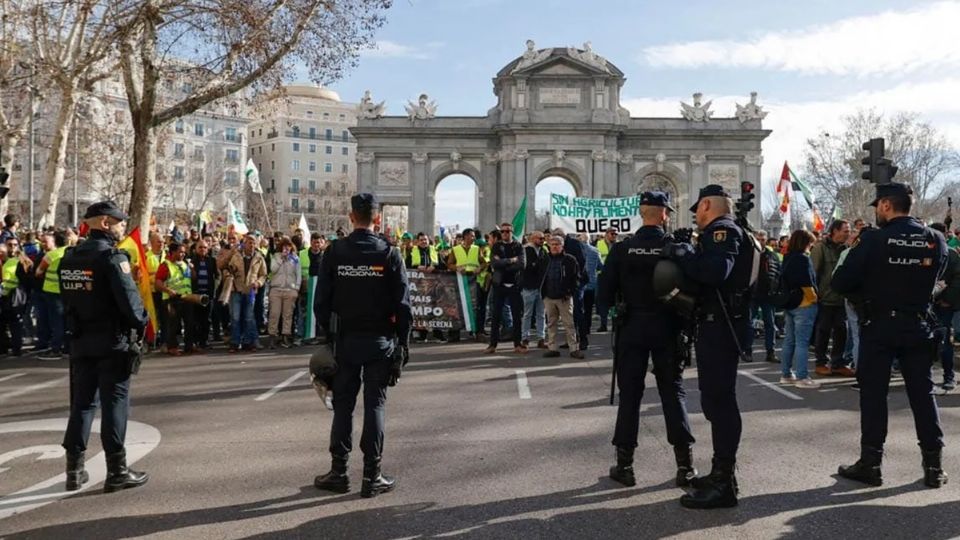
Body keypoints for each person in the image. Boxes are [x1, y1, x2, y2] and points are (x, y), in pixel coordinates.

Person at [833, 183, 948, 489]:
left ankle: (871, 464)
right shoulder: (936, 239)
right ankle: (934, 467)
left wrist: (868, 292)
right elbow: (937, 277)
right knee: (923, 395)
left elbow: (841, 281)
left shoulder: (873, 239)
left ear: (885, 205)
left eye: (877, 206)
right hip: (918, 325)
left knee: (873, 396)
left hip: (879, 326)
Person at [314, 193, 412, 498]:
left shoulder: (335, 251)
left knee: (343, 407)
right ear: (377, 218)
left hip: (345, 341)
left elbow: (321, 302)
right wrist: (403, 345)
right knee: (375, 405)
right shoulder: (389, 253)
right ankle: (372, 476)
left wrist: (328, 337)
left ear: (351, 217)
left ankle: (339, 472)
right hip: (380, 341)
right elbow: (404, 306)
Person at [664, 184, 755, 509]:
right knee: (716, 401)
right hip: (717, 323)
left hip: (722, 325)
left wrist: (685, 254)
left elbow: (716, 272)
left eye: (697, 211)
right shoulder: (726, 231)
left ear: (706, 205)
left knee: (720, 402)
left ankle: (724, 483)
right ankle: (721, 474)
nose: (696, 218)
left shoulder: (723, 231)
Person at [599, 192, 696, 488]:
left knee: (630, 396)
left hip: (632, 327)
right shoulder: (674, 248)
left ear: (641, 213)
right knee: (672, 392)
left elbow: (603, 294)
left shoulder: (623, 248)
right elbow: (692, 288)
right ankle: (685, 466)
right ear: (664, 214)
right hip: (667, 327)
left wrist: (617, 308)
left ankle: (625, 465)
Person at [59, 201, 149, 493]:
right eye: (119, 222)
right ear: (105, 224)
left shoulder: (70, 257)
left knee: (82, 404)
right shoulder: (112, 258)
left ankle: (74, 470)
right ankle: (117, 471)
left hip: (80, 339)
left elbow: (68, 300)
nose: (123, 227)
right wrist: (143, 323)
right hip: (112, 341)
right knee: (114, 404)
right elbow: (131, 305)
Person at [811, 220, 853, 377]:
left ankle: (837, 363)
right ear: (835, 231)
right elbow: (813, 273)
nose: (848, 234)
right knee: (823, 331)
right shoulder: (820, 248)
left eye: (849, 231)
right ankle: (821, 362)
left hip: (842, 299)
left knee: (842, 331)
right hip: (824, 299)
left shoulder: (847, 249)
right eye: (845, 231)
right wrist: (816, 295)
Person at [778, 230, 821, 388]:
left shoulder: (787, 257)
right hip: (804, 305)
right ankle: (802, 377)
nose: (812, 246)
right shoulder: (803, 259)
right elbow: (807, 282)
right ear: (805, 243)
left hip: (790, 303)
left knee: (789, 341)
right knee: (802, 343)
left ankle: (786, 374)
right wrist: (814, 298)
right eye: (810, 243)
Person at [218, 234, 267, 352]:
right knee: (235, 317)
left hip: (250, 290)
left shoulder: (259, 257)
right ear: (244, 243)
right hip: (236, 289)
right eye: (249, 242)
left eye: (254, 243)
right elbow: (221, 265)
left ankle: (248, 342)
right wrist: (230, 255)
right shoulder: (235, 255)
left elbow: (263, 275)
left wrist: (258, 283)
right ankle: (235, 342)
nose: (252, 245)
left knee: (249, 317)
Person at [484, 223, 526, 354]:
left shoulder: (519, 246)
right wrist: (510, 261)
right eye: (502, 231)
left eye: (507, 231)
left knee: (516, 316)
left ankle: (517, 344)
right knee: (496, 316)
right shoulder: (497, 246)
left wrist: (505, 263)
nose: (505, 233)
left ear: (512, 232)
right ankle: (492, 344)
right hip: (499, 284)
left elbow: (522, 264)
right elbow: (495, 263)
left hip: (514, 284)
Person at [541, 235, 582, 359]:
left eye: (557, 244)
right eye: (552, 244)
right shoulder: (545, 259)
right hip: (549, 297)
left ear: (562, 246)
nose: (554, 246)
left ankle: (574, 349)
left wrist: (569, 292)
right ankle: (552, 348)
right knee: (551, 323)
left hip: (564, 298)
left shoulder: (570, 260)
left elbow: (577, 278)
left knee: (569, 324)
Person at [930, 222, 959, 391]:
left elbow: (957, 281)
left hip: (944, 306)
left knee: (944, 341)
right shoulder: (921, 251)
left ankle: (949, 376)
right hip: (924, 306)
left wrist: (947, 299)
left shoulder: (952, 256)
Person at [154, 242, 195, 355]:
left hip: (186, 297)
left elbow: (191, 278)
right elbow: (157, 283)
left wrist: (192, 269)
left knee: (190, 323)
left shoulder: (185, 263)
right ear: (173, 252)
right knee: (172, 324)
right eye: (180, 252)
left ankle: (189, 346)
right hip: (171, 299)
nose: (183, 254)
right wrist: (168, 290)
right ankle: (172, 347)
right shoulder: (165, 265)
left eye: (184, 252)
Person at [34, 230, 68, 360]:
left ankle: (56, 349)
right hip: (68, 291)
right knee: (66, 320)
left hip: (52, 292)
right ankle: (67, 347)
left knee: (56, 322)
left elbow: (38, 271)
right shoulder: (72, 253)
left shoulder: (51, 255)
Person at [749, 230, 780, 363]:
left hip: (768, 295)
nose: (760, 242)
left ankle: (770, 352)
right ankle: (747, 350)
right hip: (752, 295)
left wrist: (776, 289)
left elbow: (778, 273)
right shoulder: (749, 255)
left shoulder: (772, 256)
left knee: (770, 324)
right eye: (758, 239)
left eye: (762, 239)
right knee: (749, 324)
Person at [267, 237, 301, 348]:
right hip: (276, 289)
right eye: (284, 246)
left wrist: (296, 288)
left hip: (290, 290)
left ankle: (286, 337)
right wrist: (282, 259)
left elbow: (298, 274)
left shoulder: (295, 258)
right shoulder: (276, 257)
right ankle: (272, 336)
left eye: (288, 246)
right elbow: (273, 269)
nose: (286, 248)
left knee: (288, 315)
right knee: (274, 314)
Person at [0, 236, 31, 356]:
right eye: (9, 245)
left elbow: (15, 281)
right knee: (5, 324)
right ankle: (6, 347)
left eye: (14, 244)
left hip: (14, 295)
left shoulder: (17, 261)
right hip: (9, 295)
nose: (12, 247)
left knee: (14, 323)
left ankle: (16, 349)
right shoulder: (7, 260)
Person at [187, 238, 217, 350]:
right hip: (195, 294)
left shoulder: (212, 261)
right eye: (200, 247)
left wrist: (214, 291)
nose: (202, 249)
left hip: (208, 294)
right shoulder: (191, 261)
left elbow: (216, 276)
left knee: (206, 319)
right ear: (195, 249)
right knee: (195, 319)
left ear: (208, 248)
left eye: (205, 247)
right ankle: (195, 341)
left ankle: (204, 341)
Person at [520, 230, 547, 349]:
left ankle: (541, 338)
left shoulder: (543, 250)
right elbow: (527, 267)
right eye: (540, 238)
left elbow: (545, 265)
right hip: (528, 286)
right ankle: (525, 338)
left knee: (541, 314)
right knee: (527, 314)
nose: (543, 241)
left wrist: (538, 265)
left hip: (541, 287)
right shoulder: (526, 250)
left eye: (543, 239)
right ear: (532, 238)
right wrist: (537, 265)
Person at [580, 235, 601, 350]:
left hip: (580, 284)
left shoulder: (578, 250)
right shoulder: (595, 251)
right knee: (588, 309)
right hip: (592, 283)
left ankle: (581, 329)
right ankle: (587, 327)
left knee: (579, 309)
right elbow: (601, 266)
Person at [595, 228, 617, 332]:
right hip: (602, 276)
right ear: (606, 234)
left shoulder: (618, 245)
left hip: (615, 276)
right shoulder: (599, 244)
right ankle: (603, 324)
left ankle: (614, 323)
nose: (614, 236)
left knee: (614, 302)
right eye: (612, 234)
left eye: (615, 234)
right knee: (602, 302)